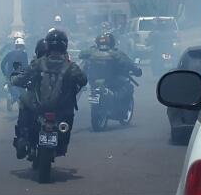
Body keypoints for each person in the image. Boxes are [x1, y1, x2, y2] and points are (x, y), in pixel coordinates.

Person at [11, 29, 87, 159]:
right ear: (65, 45)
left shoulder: (39, 63)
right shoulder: (70, 66)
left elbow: (21, 78)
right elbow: (83, 80)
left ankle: (23, 136)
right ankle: (61, 143)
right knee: (68, 117)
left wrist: (13, 80)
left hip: (39, 107)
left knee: (23, 99)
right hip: (62, 110)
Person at [80, 33, 142, 101]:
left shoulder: (91, 52)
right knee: (129, 86)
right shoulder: (117, 53)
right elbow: (129, 63)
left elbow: (81, 55)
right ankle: (117, 100)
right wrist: (137, 70)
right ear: (112, 42)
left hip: (94, 82)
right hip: (111, 82)